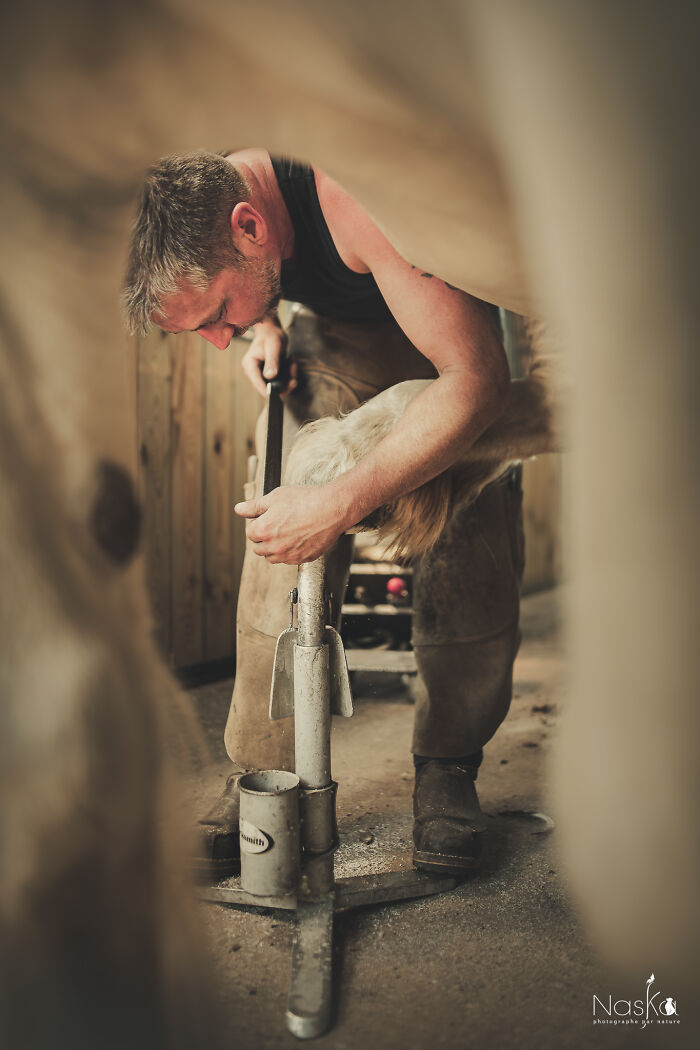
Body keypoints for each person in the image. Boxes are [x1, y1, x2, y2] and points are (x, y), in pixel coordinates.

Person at [123, 149, 525, 877]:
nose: (220, 338)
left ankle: (448, 769)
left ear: (250, 227)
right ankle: (266, 774)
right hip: (342, 333)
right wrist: (261, 324)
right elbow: (250, 275)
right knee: (283, 479)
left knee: (465, 495)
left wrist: (343, 502)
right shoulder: (220, 196)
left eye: (217, 317)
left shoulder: (362, 193)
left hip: (449, 346)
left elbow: (477, 380)